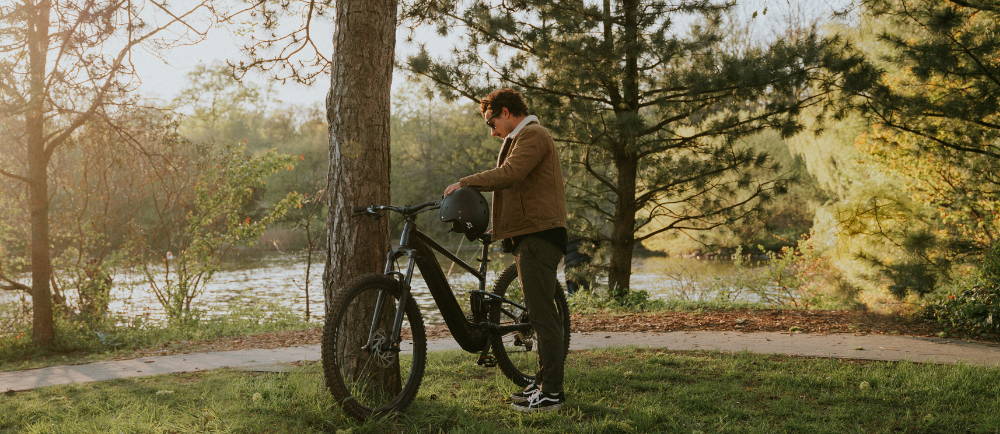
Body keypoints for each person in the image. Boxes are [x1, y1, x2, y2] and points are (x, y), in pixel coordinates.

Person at [443, 88, 568, 413]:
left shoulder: (533, 134)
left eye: (491, 120)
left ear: (507, 111)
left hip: (540, 235)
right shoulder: (520, 137)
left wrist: (466, 182)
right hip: (530, 234)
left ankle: (552, 393)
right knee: (539, 314)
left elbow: (511, 174)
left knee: (543, 318)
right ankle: (542, 384)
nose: (491, 128)